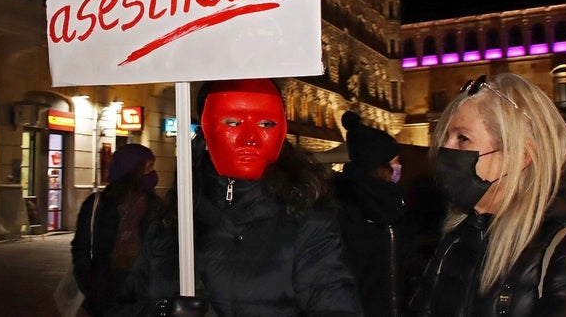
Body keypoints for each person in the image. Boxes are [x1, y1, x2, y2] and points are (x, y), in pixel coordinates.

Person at [111, 78, 362, 316]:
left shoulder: (308, 222)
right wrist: (160, 311)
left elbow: (335, 306)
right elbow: (124, 302)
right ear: (206, 131)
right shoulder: (173, 220)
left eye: (266, 124)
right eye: (233, 122)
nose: (250, 138)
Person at [405, 72, 566, 316]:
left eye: (463, 138)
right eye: (446, 137)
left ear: (519, 157)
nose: (445, 149)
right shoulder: (455, 243)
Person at [333, 110, 418, 317]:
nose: (398, 167)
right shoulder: (345, 209)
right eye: (394, 161)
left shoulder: (397, 205)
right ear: (379, 167)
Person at [72, 143, 165, 316]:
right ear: (132, 168)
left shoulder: (155, 204)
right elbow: (81, 247)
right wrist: (88, 284)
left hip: (144, 288)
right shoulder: (97, 203)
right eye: (149, 166)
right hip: (106, 287)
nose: (153, 173)